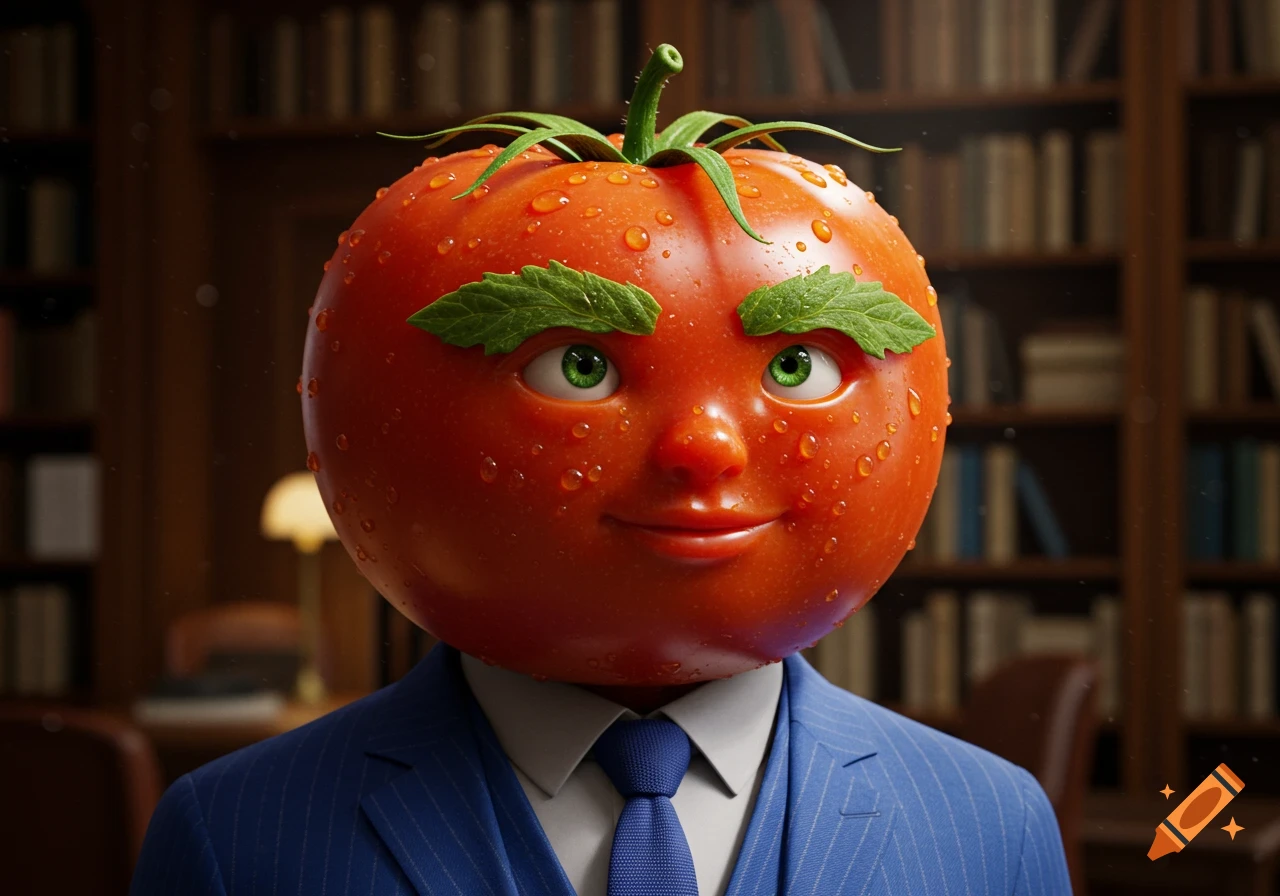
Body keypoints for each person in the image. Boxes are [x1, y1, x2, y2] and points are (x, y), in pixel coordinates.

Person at [131, 44, 1071, 896]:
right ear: (361, 409)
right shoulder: (235, 840)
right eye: (578, 364)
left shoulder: (992, 831)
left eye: (798, 365)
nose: (703, 448)